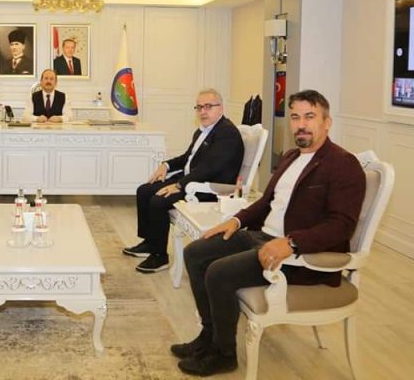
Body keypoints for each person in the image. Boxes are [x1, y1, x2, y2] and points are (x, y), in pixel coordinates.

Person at [171, 89, 365, 377]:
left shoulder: (342, 164)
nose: (301, 124)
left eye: (310, 117)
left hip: (299, 257)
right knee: (196, 253)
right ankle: (209, 337)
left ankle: (224, 354)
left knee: (219, 272)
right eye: (295, 117)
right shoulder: (290, 157)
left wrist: (292, 243)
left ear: (327, 122)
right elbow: (265, 203)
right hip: (262, 237)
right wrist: (236, 221)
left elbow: (341, 225)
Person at [123, 88, 244, 273]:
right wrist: (166, 165)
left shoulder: (227, 133)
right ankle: (150, 243)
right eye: (199, 107)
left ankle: (159, 256)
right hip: (191, 180)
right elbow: (187, 158)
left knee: (158, 200)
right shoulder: (203, 131)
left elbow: (210, 168)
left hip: (208, 188)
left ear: (221, 108)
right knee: (144, 190)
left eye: (208, 106)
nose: (203, 111)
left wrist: (179, 185)